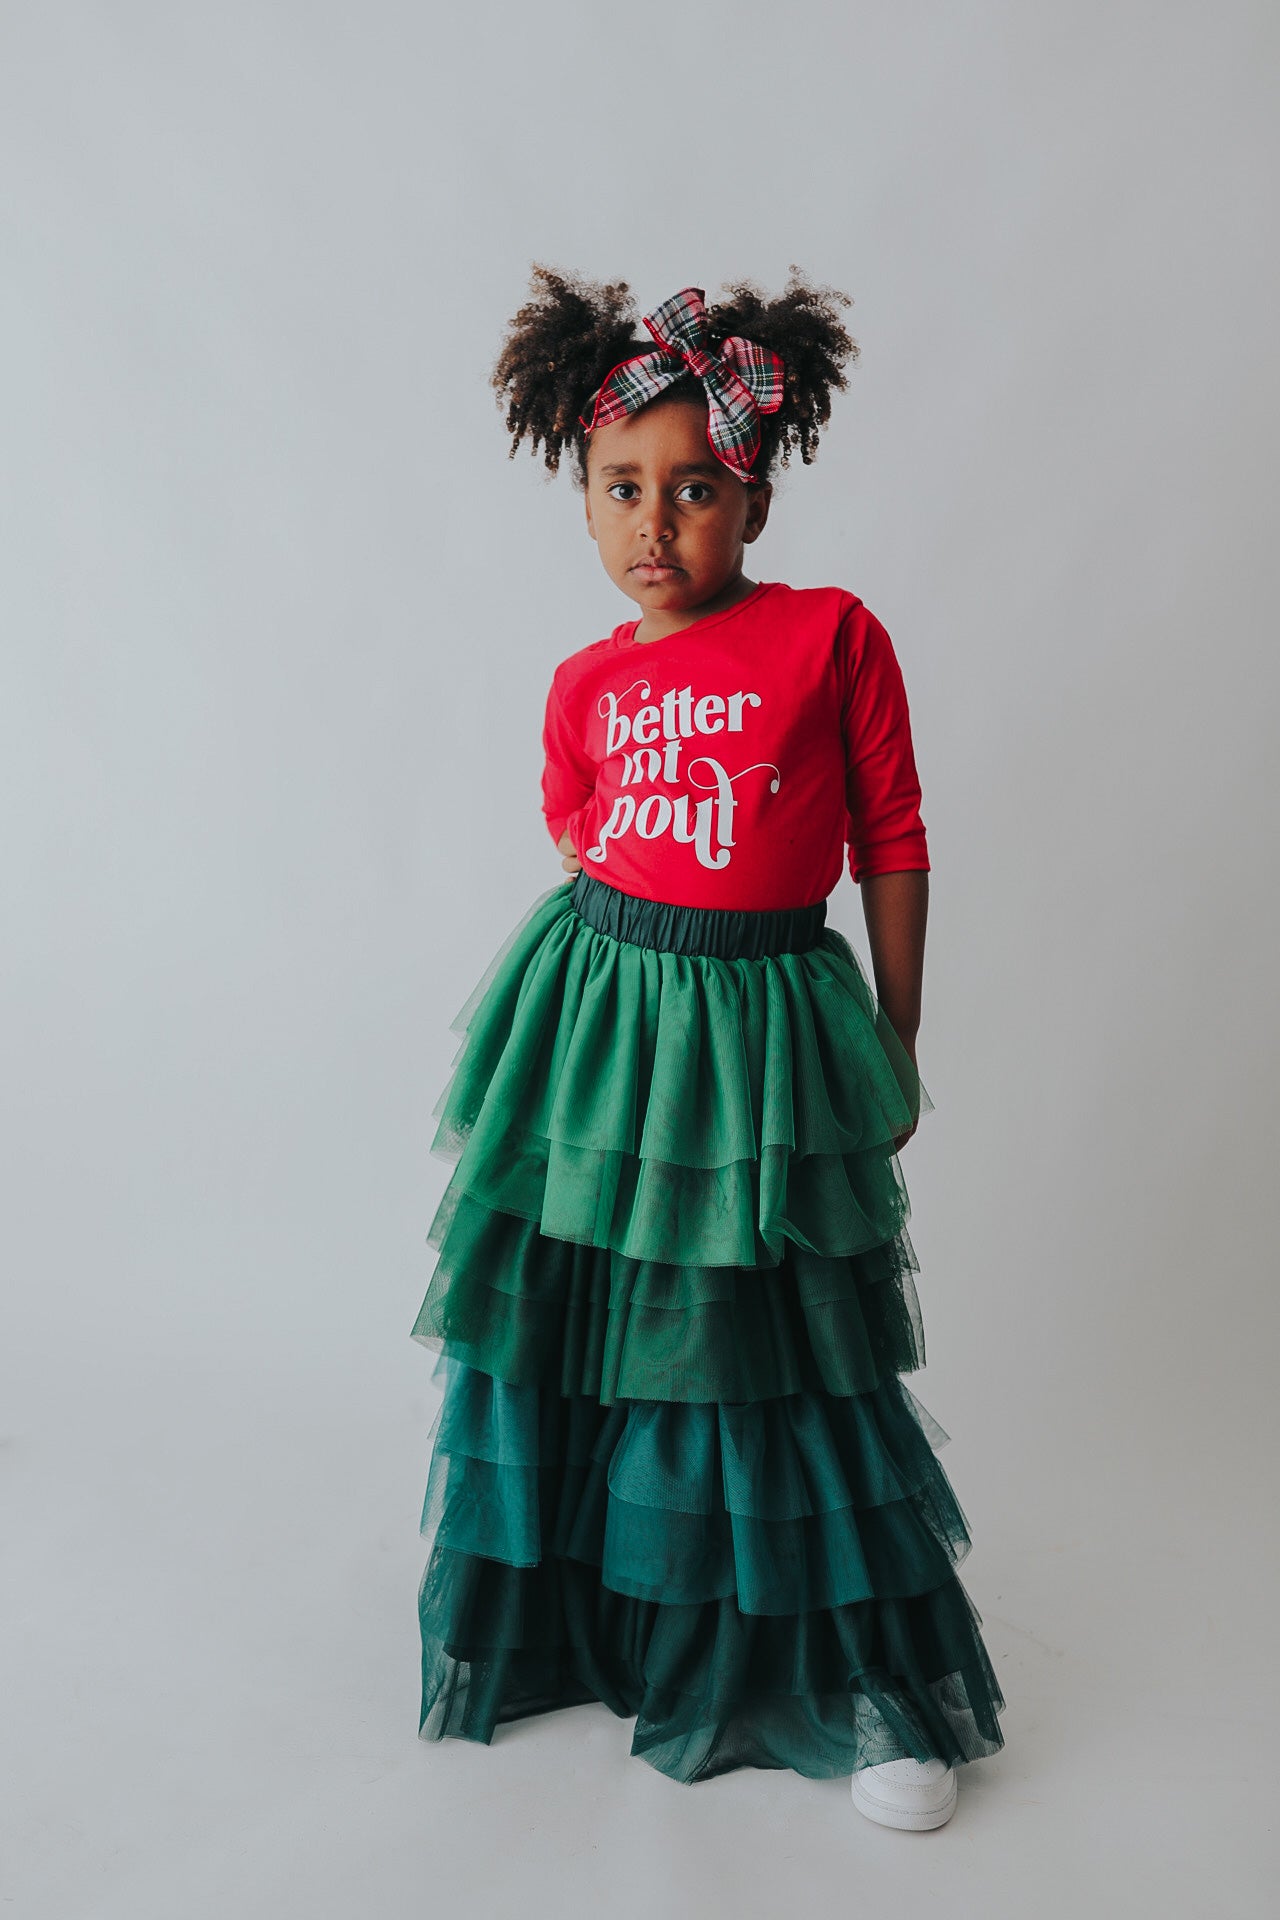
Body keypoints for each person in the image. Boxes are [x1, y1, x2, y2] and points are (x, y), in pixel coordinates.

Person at [410, 266, 1006, 1829]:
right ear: (582, 498)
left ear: (754, 496)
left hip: (760, 1027)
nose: (654, 524)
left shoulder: (827, 636)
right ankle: (608, 1624)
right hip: (602, 1014)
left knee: (781, 1342)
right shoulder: (586, 681)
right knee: (583, 1319)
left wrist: (897, 1029)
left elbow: (893, 830)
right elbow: (585, 836)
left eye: (696, 489)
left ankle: (870, 1677)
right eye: (622, 490)